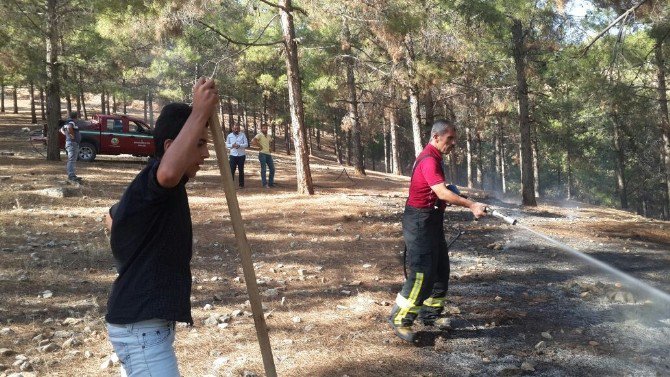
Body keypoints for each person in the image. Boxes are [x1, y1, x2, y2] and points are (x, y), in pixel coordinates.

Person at [103, 77, 218, 376]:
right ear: (170, 146)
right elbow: (168, 171)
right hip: (141, 330)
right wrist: (199, 112)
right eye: (200, 144)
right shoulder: (160, 178)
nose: (206, 154)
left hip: (145, 326)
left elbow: (113, 215)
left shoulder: (150, 190)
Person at [389, 119, 487, 343]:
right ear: (436, 137)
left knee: (441, 270)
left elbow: (438, 190)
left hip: (431, 220)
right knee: (422, 273)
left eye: (454, 139)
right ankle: (400, 318)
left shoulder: (434, 157)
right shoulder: (429, 160)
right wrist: (471, 205)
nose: (453, 143)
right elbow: (442, 193)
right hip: (419, 222)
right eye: (449, 138)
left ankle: (430, 315)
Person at [251, 123, 275, 188]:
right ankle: (265, 184)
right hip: (262, 154)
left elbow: (271, 141)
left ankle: (271, 183)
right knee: (264, 169)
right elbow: (253, 141)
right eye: (264, 128)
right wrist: (259, 146)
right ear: (261, 129)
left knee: (272, 169)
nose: (265, 129)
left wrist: (271, 148)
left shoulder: (268, 136)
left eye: (266, 128)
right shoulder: (259, 135)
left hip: (268, 154)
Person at [226, 123, 248, 188]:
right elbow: (227, 145)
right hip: (233, 155)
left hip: (241, 155)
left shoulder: (243, 135)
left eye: (237, 128)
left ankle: (241, 185)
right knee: (232, 170)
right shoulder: (229, 136)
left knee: (241, 170)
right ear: (232, 128)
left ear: (239, 129)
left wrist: (239, 145)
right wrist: (232, 145)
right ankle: (231, 184)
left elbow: (246, 144)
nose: (236, 130)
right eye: (235, 128)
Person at [62, 111, 82, 182]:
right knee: (72, 160)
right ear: (76, 116)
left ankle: (72, 175)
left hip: (70, 142)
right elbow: (70, 127)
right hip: (72, 143)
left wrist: (66, 135)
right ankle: (71, 176)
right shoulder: (72, 122)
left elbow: (61, 129)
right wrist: (72, 136)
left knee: (72, 159)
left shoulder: (66, 122)